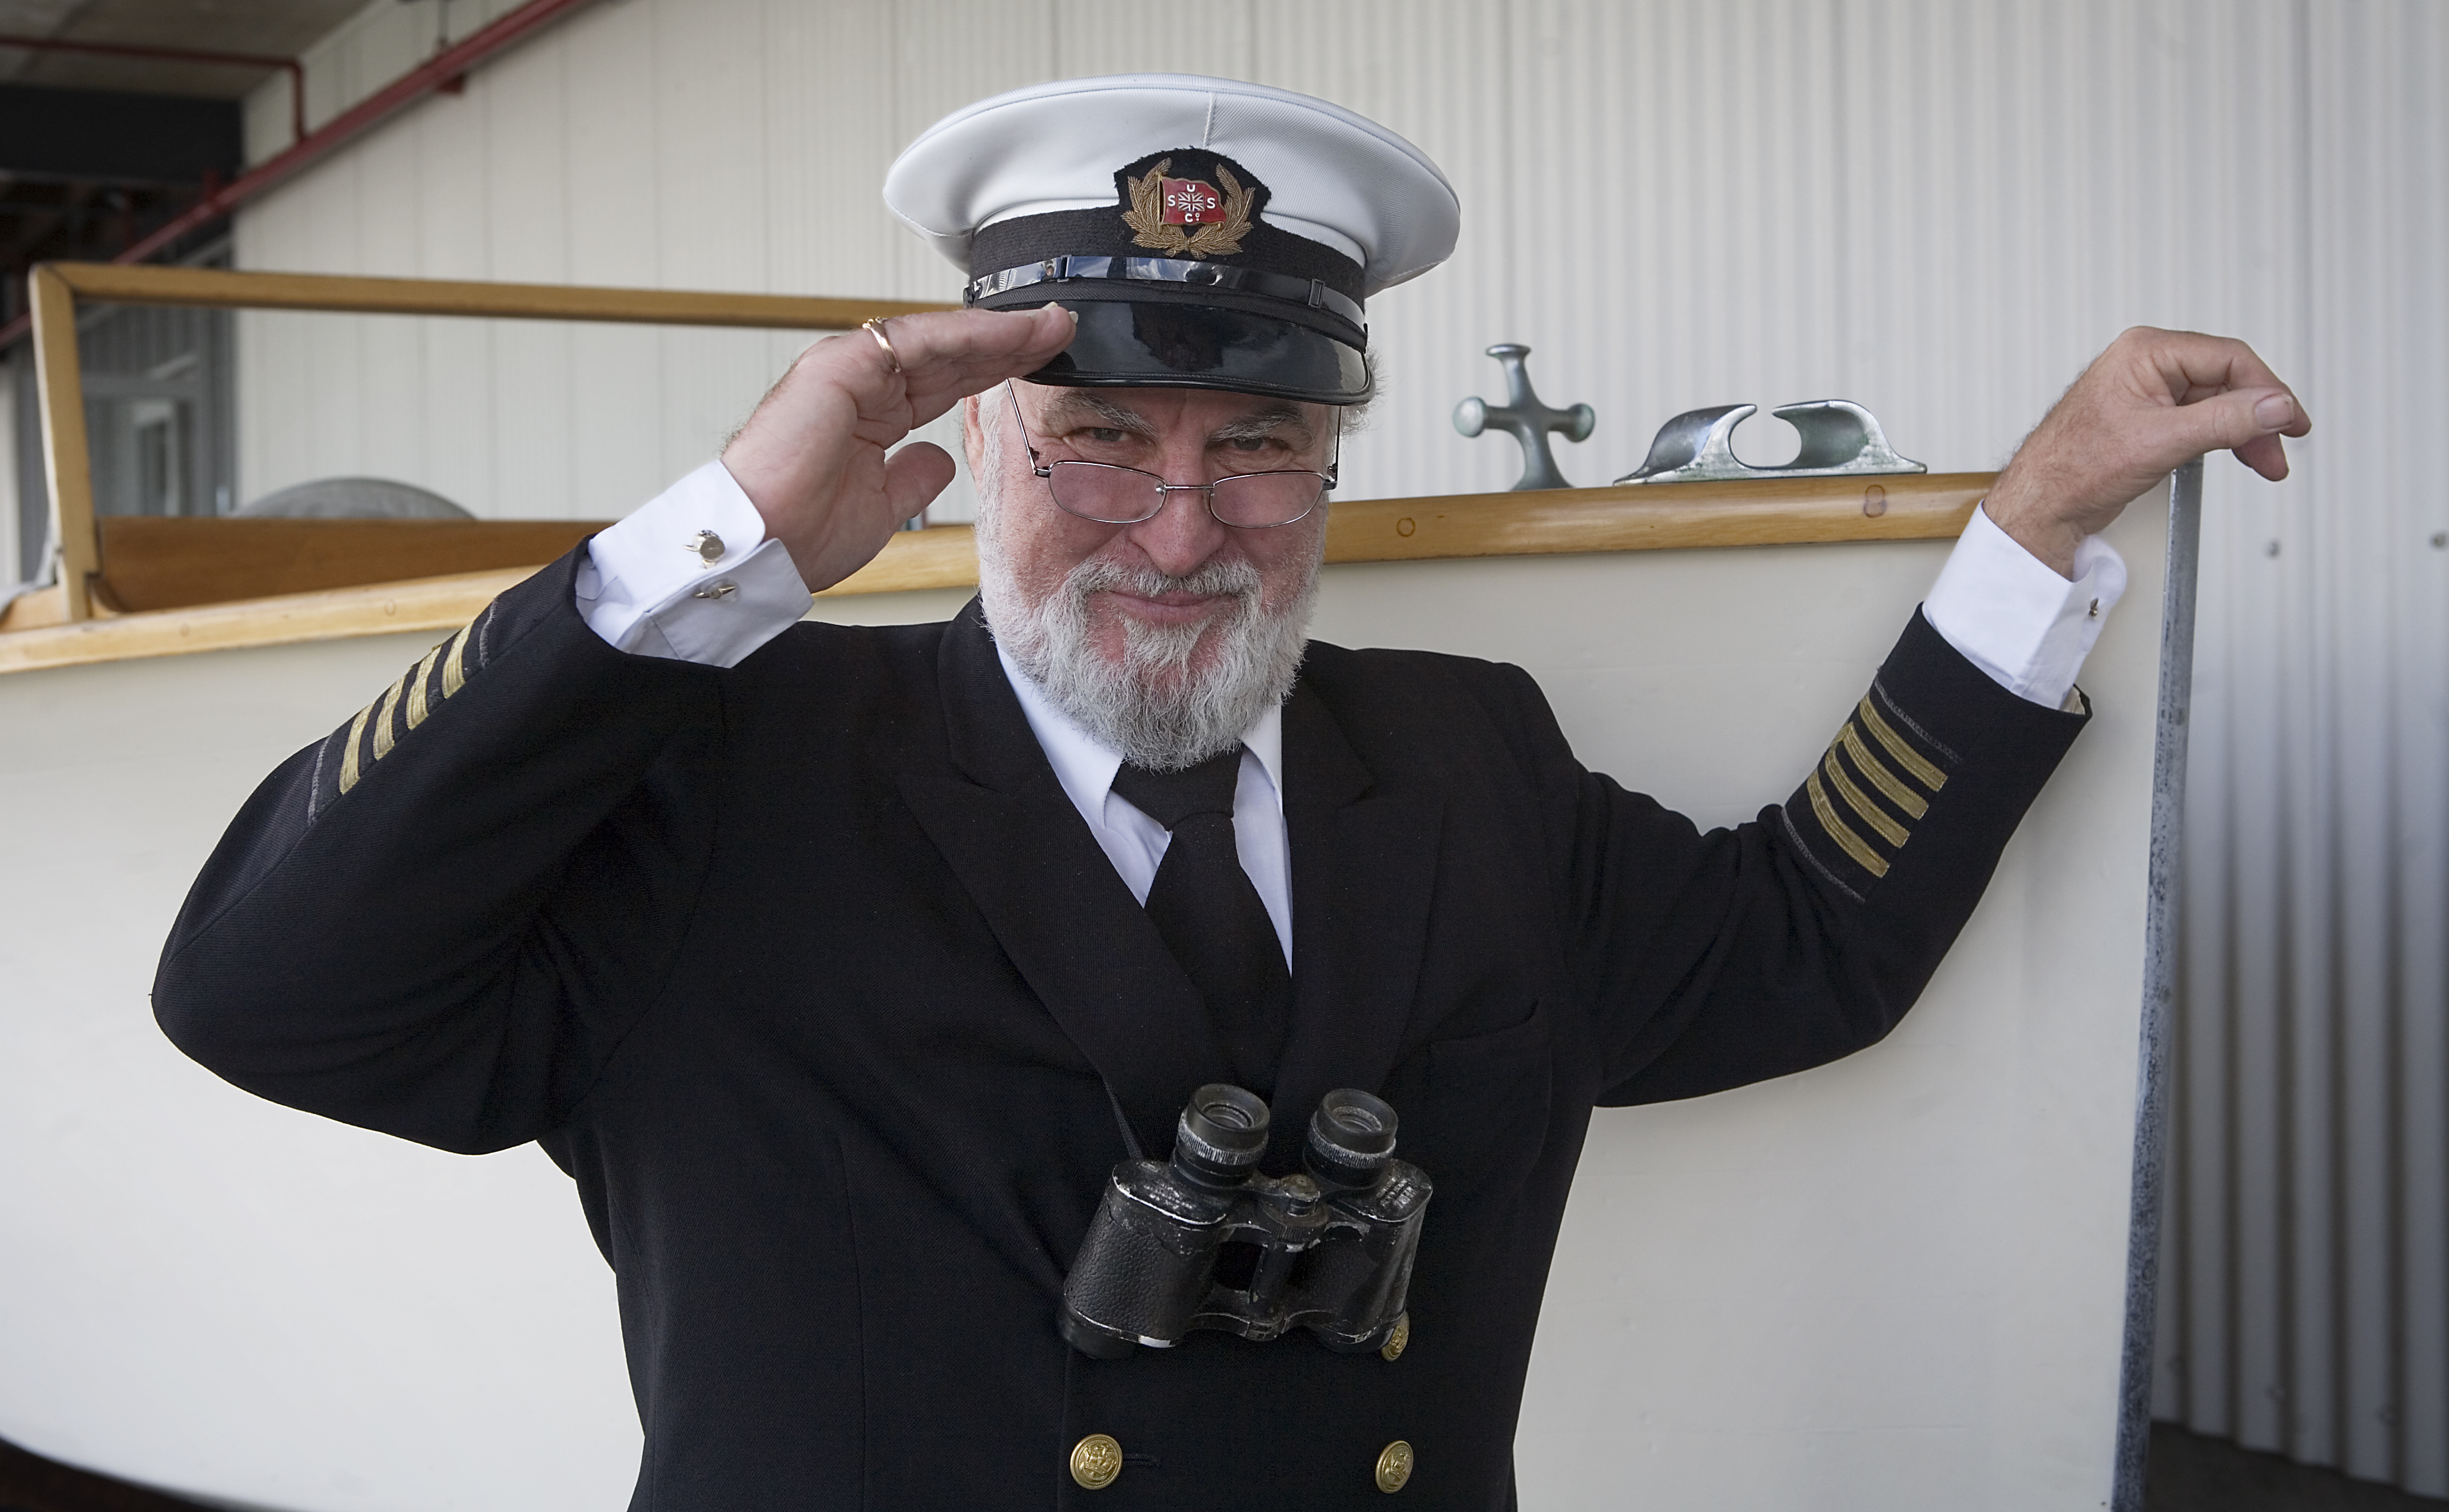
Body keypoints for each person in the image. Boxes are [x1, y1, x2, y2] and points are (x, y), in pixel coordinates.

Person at [152, 75, 2306, 1510]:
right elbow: (271, 993)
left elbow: (1803, 946)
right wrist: (702, 553)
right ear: (973, 449)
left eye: (1256, 446)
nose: (1182, 526)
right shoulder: (725, 771)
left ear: (1331, 463)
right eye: (1100, 436)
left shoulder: (1465, 758)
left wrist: (2034, 526)